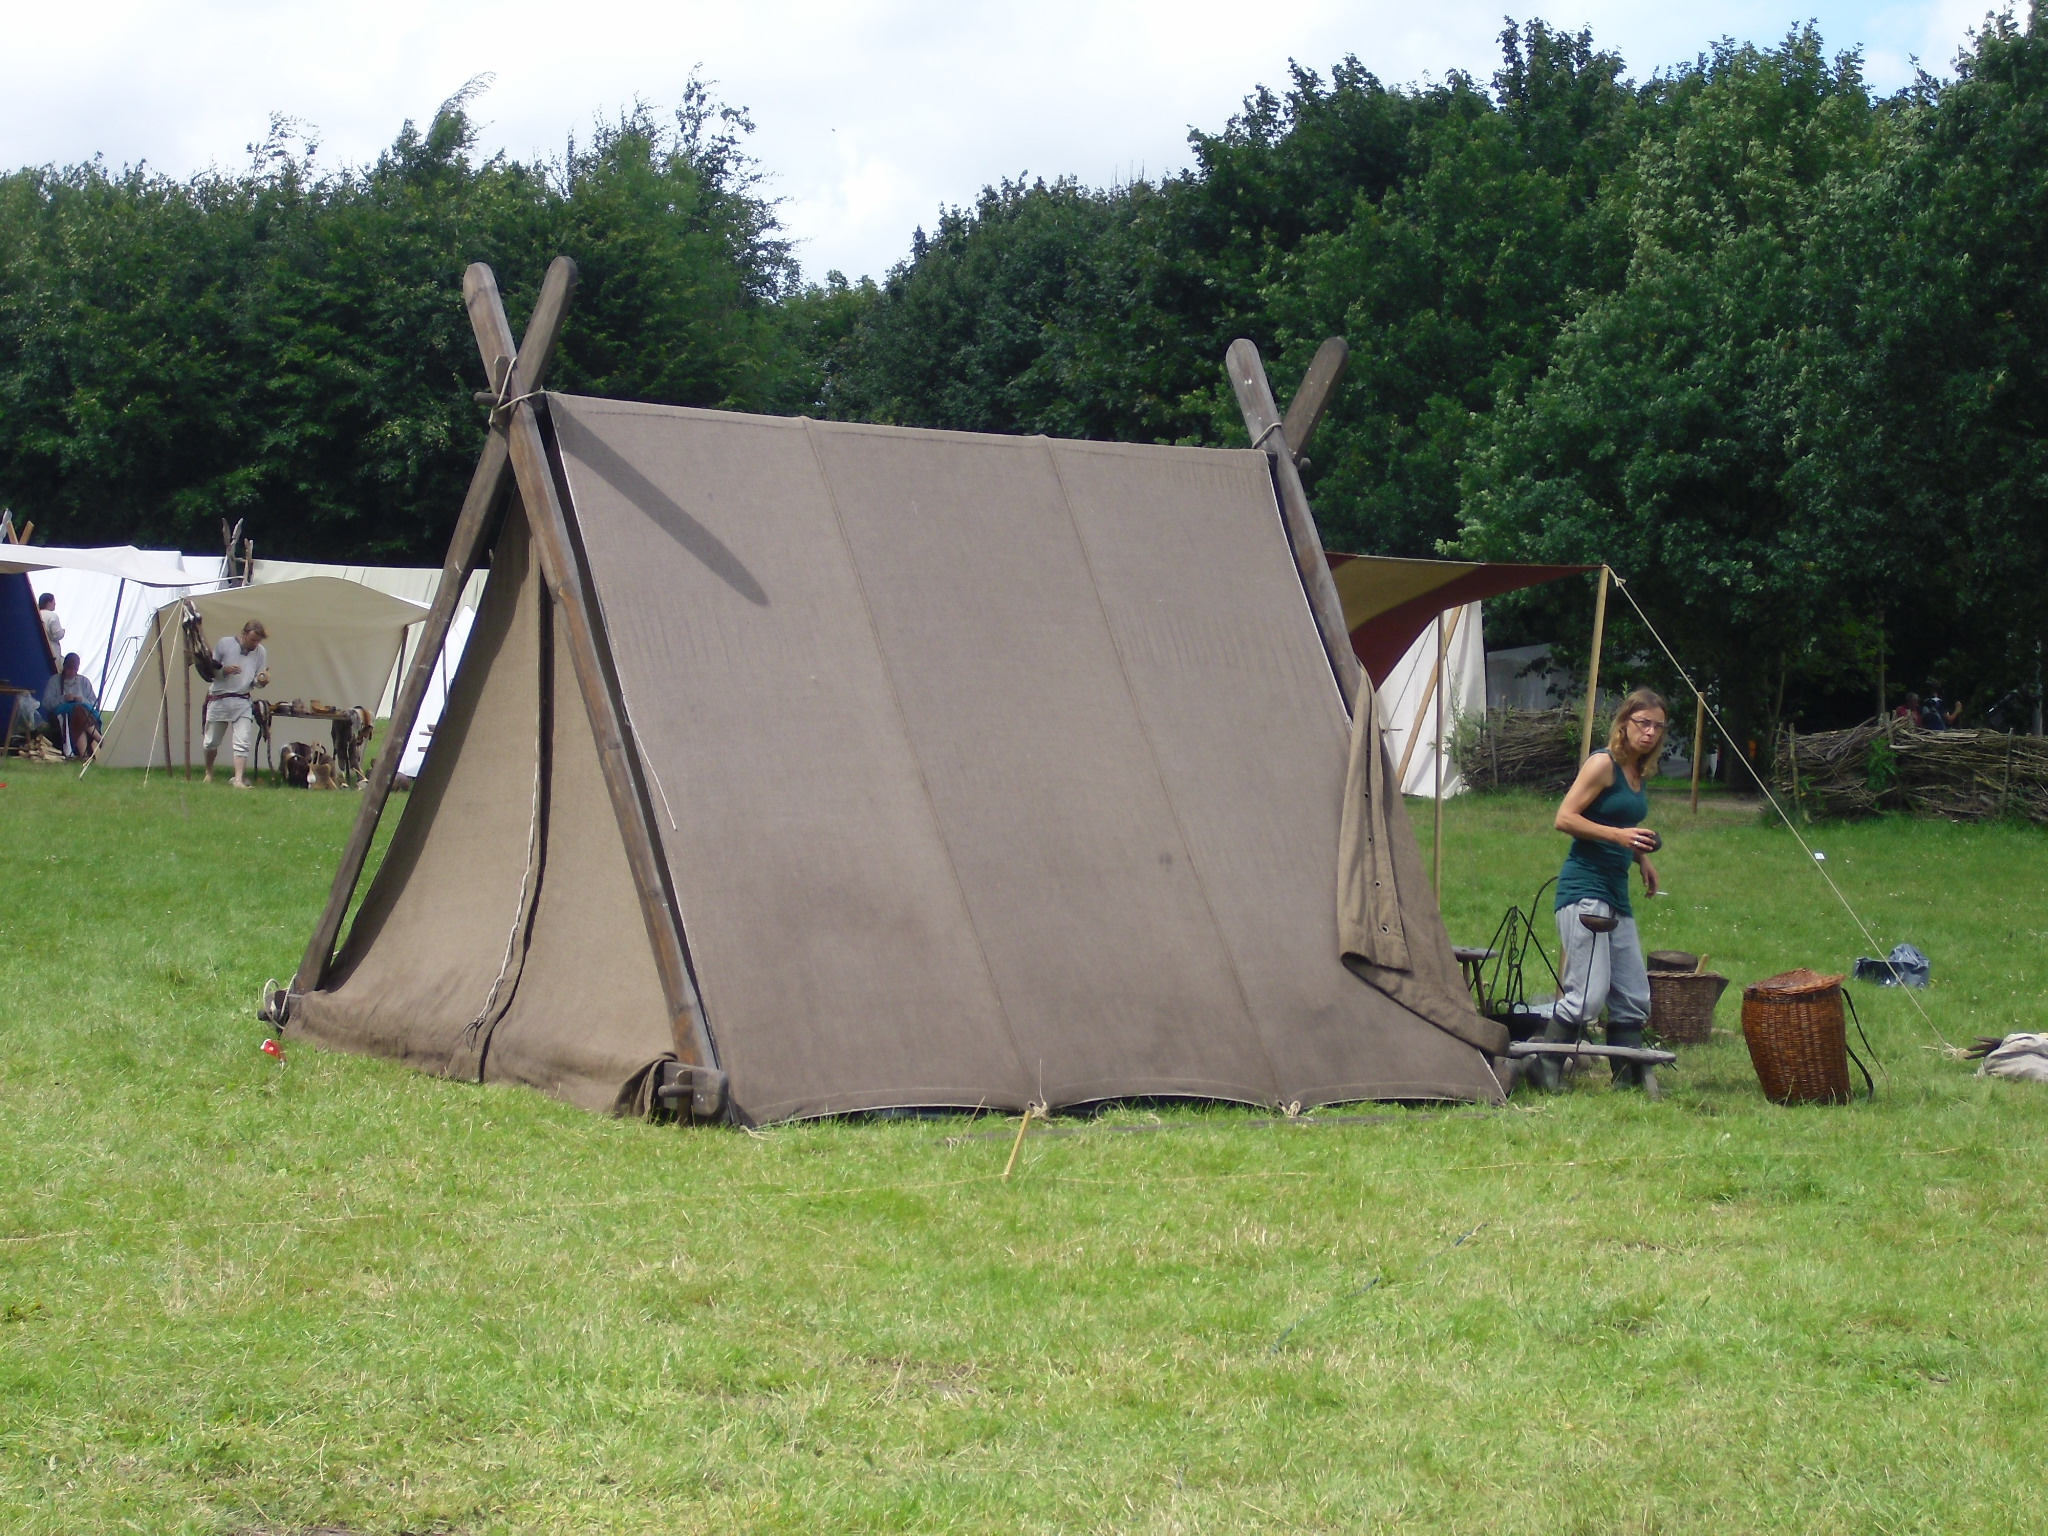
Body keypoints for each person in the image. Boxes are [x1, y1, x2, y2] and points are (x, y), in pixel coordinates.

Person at [1534, 686, 1668, 1092]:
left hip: (1615, 893)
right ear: (1624, 723)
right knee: (1589, 995)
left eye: (1658, 727)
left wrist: (1641, 858)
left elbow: (1621, 824)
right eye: (1643, 723)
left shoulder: (1637, 772)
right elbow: (1564, 818)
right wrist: (1619, 837)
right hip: (1584, 890)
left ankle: (1626, 1079)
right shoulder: (1603, 764)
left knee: (1633, 994)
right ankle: (1544, 1064)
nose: (1650, 732)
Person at [203, 619, 270, 787]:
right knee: (211, 742)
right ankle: (209, 772)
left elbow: (256, 680)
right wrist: (224, 671)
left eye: (258, 641)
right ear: (244, 634)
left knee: (243, 741)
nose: (255, 644)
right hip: (220, 698)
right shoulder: (225, 644)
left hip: (242, 700)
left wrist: (261, 681)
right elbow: (210, 671)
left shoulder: (260, 652)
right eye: (253, 640)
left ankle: (238, 779)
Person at [40, 652, 101, 758]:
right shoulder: (54, 681)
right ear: (64, 666)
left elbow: (94, 702)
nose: (72, 672)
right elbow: (46, 703)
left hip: (83, 713)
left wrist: (82, 700)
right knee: (77, 710)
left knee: (78, 712)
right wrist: (63, 699)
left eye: (75, 669)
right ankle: (98, 738)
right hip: (63, 713)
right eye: (69, 669)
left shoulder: (84, 681)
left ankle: (84, 755)